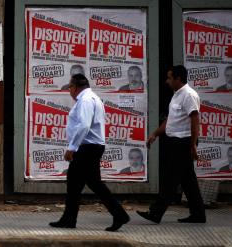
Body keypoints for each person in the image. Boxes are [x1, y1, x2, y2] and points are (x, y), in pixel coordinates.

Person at [49, 74, 130, 231]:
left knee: (88, 184)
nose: (69, 91)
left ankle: (119, 214)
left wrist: (72, 147)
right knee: (76, 183)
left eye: (70, 88)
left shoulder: (85, 100)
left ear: (76, 87)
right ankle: (69, 219)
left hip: (87, 148)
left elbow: (85, 125)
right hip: (91, 147)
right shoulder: (92, 97)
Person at [136, 65, 206, 224]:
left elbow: (195, 120)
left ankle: (156, 213)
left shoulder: (189, 95)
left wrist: (193, 145)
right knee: (188, 181)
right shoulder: (177, 95)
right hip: (176, 142)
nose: (167, 81)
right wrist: (155, 133)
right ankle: (198, 214)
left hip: (184, 142)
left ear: (178, 79)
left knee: (169, 179)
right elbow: (170, 120)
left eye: (169, 78)